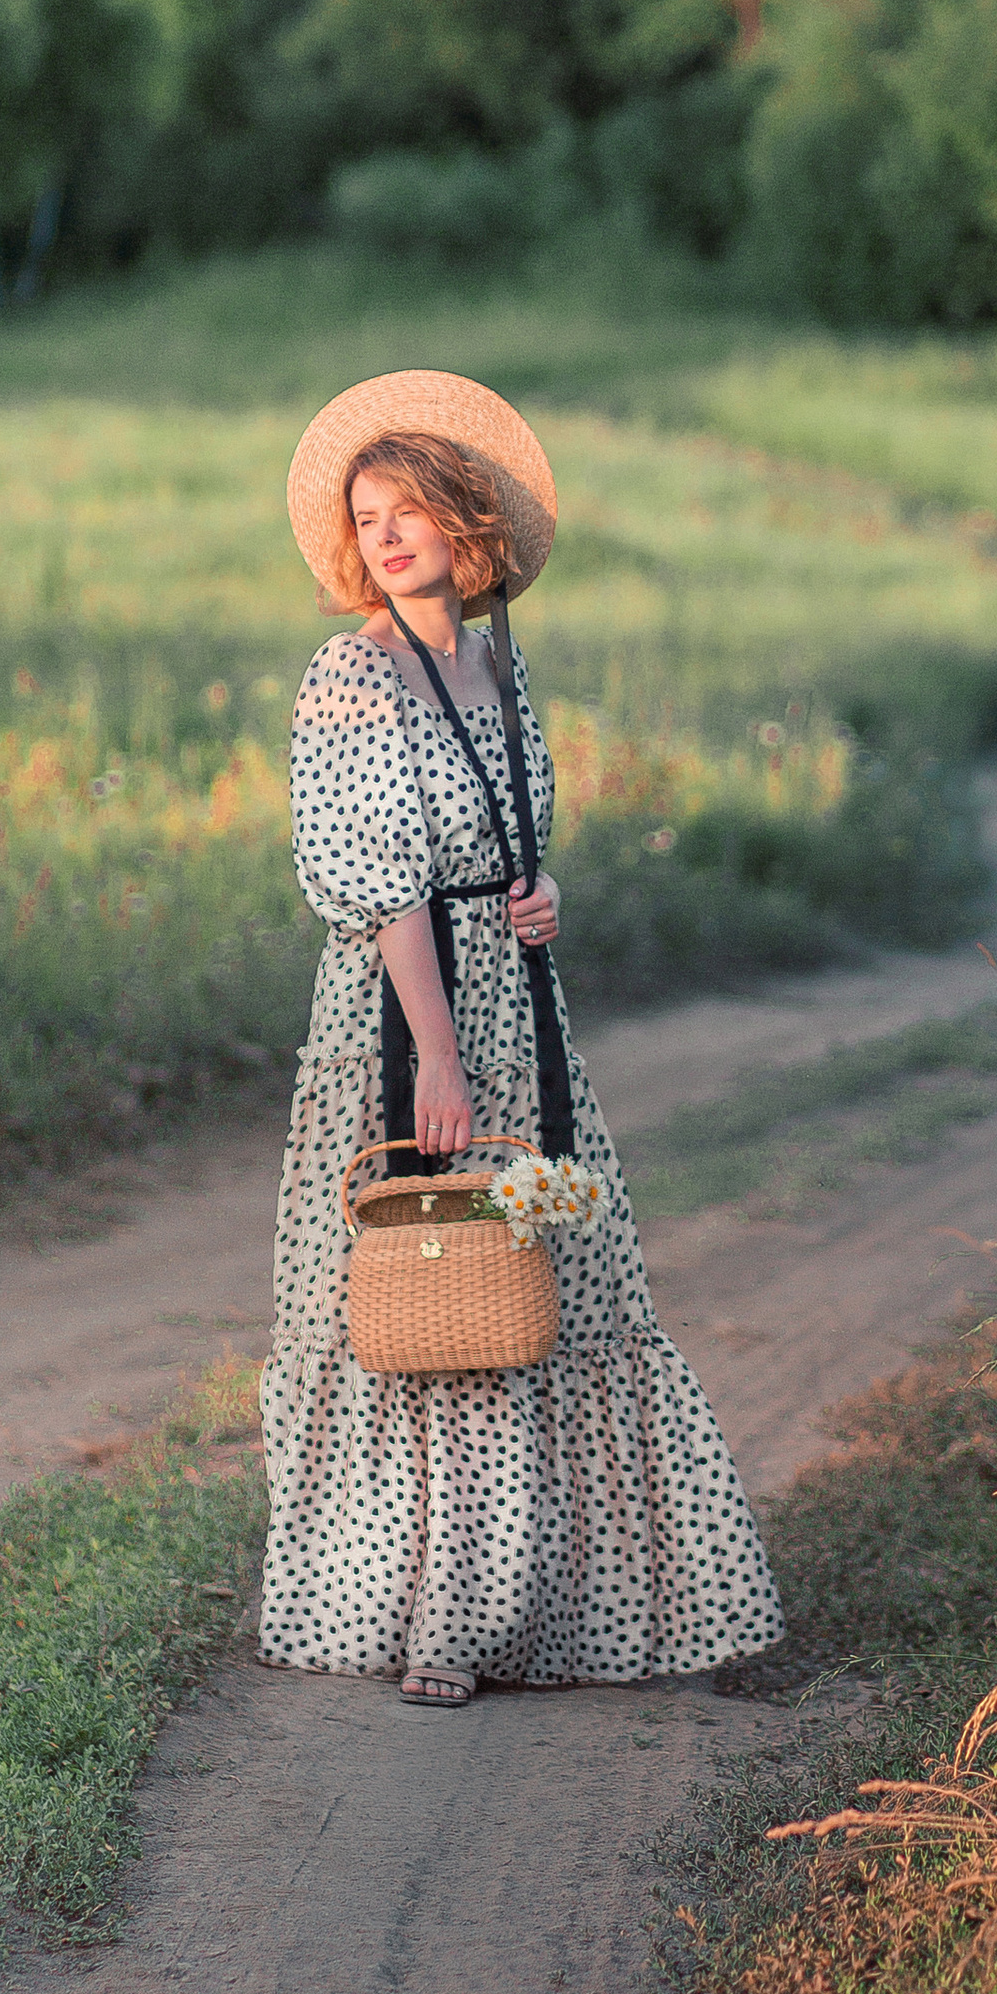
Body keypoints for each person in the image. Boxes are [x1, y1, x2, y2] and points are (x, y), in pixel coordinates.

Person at [258, 367, 784, 1707]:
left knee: (543, 1293)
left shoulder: (497, 658)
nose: (381, 537)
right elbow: (385, 886)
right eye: (364, 517)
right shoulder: (347, 674)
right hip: (406, 1011)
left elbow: (503, 836)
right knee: (425, 1291)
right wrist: (433, 1054)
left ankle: (543, 1606)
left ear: (464, 522)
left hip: (516, 1003)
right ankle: (438, 1619)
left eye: (405, 511)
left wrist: (539, 892)